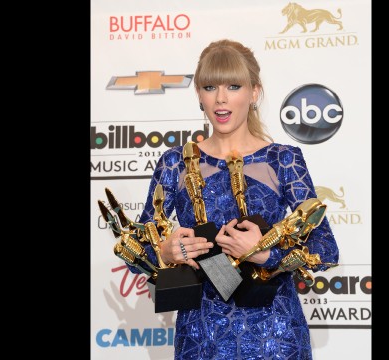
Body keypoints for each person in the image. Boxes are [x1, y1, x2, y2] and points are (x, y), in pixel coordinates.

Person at [130, 39, 339, 359]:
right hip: (201, 340)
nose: (222, 98)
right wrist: (164, 249)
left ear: (254, 92)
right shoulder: (175, 163)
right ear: (199, 94)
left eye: (234, 85)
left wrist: (265, 253)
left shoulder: (282, 160)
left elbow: (325, 248)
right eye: (210, 86)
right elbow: (138, 246)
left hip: (277, 337)